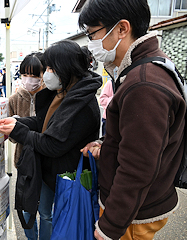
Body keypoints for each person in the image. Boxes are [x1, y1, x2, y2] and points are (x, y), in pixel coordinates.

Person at [79, 1, 185, 240]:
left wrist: (110, 226)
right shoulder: (148, 66)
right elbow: (141, 140)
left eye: (92, 33)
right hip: (139, 205)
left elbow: (138, 167)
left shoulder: (144, 83)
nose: (91, 42)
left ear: (122, 29)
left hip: (133, 214)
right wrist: (107, 144)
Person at [0, 40, 102, 240]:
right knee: (33, 210)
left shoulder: (83, 104)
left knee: (53, 217)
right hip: (44, 169)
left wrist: (18, 130)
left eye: (50, 68)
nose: (46, 74)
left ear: (66, 68)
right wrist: (19, 122)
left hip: (66, 177)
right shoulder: (62, 92)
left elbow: (53, 144)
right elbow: (43, 121)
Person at [8, 52, 46, 168]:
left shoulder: (50, 96)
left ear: (44, 74)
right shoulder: (14, 99)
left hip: (46, 158)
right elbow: (11, 138)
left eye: (34, 76)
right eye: (24, 75)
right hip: (23, 159)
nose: (29, 80)